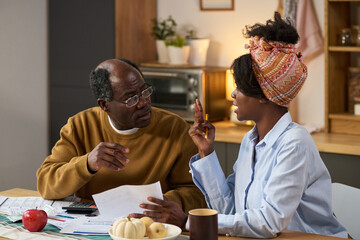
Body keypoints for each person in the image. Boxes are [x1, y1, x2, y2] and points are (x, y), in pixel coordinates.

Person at [136, 12, 348, 237]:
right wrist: (206, 153)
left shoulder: (295, 143)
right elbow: (231, 210)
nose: (233, 93)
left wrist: (190, 220)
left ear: (264, 95)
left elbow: (268, 222)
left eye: (240, 87)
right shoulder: (251, 140)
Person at [36, 58, 206, 217]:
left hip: (150, 226)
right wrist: (87, 164)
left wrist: (165, 203)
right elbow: (46, 185)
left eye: (145, 91)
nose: (143, 102)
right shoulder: (80, 126)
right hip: (91, 226)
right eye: (131, 99)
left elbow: (197, 193)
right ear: (104, 104)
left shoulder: (175, 128)